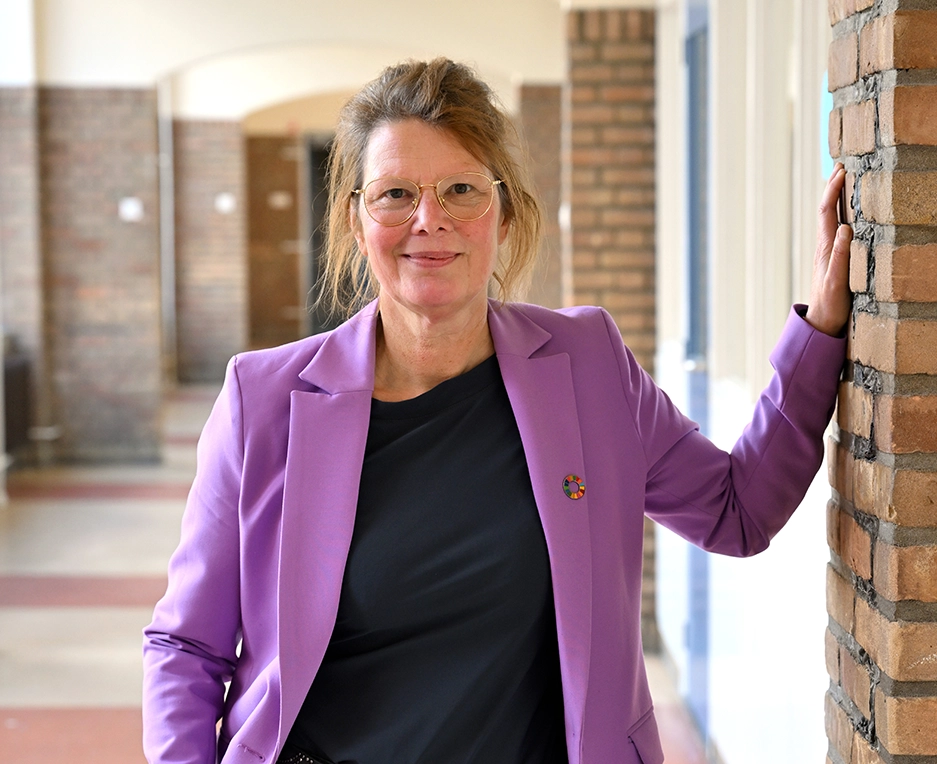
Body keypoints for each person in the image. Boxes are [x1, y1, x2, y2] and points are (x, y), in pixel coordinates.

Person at [143, 58, 853, 764]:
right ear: (356, 222)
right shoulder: (264, 401)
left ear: (504, 214)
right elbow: (186, 645)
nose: (430, 220)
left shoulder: (587, 365)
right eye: (395, 194)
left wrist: (821, 330)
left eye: (461, 189)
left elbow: (737, 511)